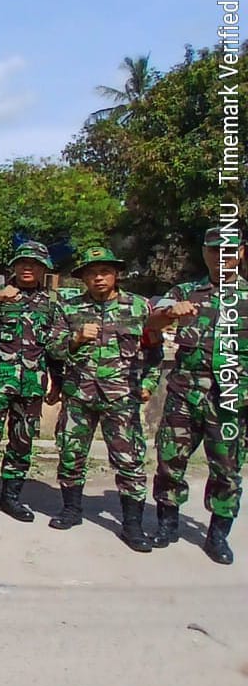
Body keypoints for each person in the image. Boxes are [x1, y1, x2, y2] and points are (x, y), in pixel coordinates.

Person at [47, 246, 158, 550]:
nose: (98, 278)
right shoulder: (68, 308)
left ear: (116, 274)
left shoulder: (139, 307)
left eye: (105, 271)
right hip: (79, 395)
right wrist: (76, 338)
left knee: (129, 461)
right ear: (83, 277)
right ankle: (71, 509)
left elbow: (154, 350)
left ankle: (132, 524)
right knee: (71, 454)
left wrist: (149, 381)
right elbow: (52, 350)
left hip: (121, 397)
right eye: (92, 273)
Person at [147, 226, 245, 564]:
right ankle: (167, 524)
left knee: (227, 471)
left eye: (227, 252)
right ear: (204, 253)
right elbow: (151, 324)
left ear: (241, 253)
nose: (220, 258)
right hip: (184, 396)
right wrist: (170, 313)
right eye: (213, 251)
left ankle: (217, 536)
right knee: (170, 461)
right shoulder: (184, 291)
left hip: (230, 402)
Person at [0, 241, 65, 520]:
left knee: (22, 441)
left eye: (34, 264)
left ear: (44, 269)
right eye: (22, 263)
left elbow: (55, 348)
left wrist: (58, 382)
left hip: (32, 383)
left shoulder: (52, 302)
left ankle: (11, 498)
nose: (27, 268)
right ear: (14, 266)